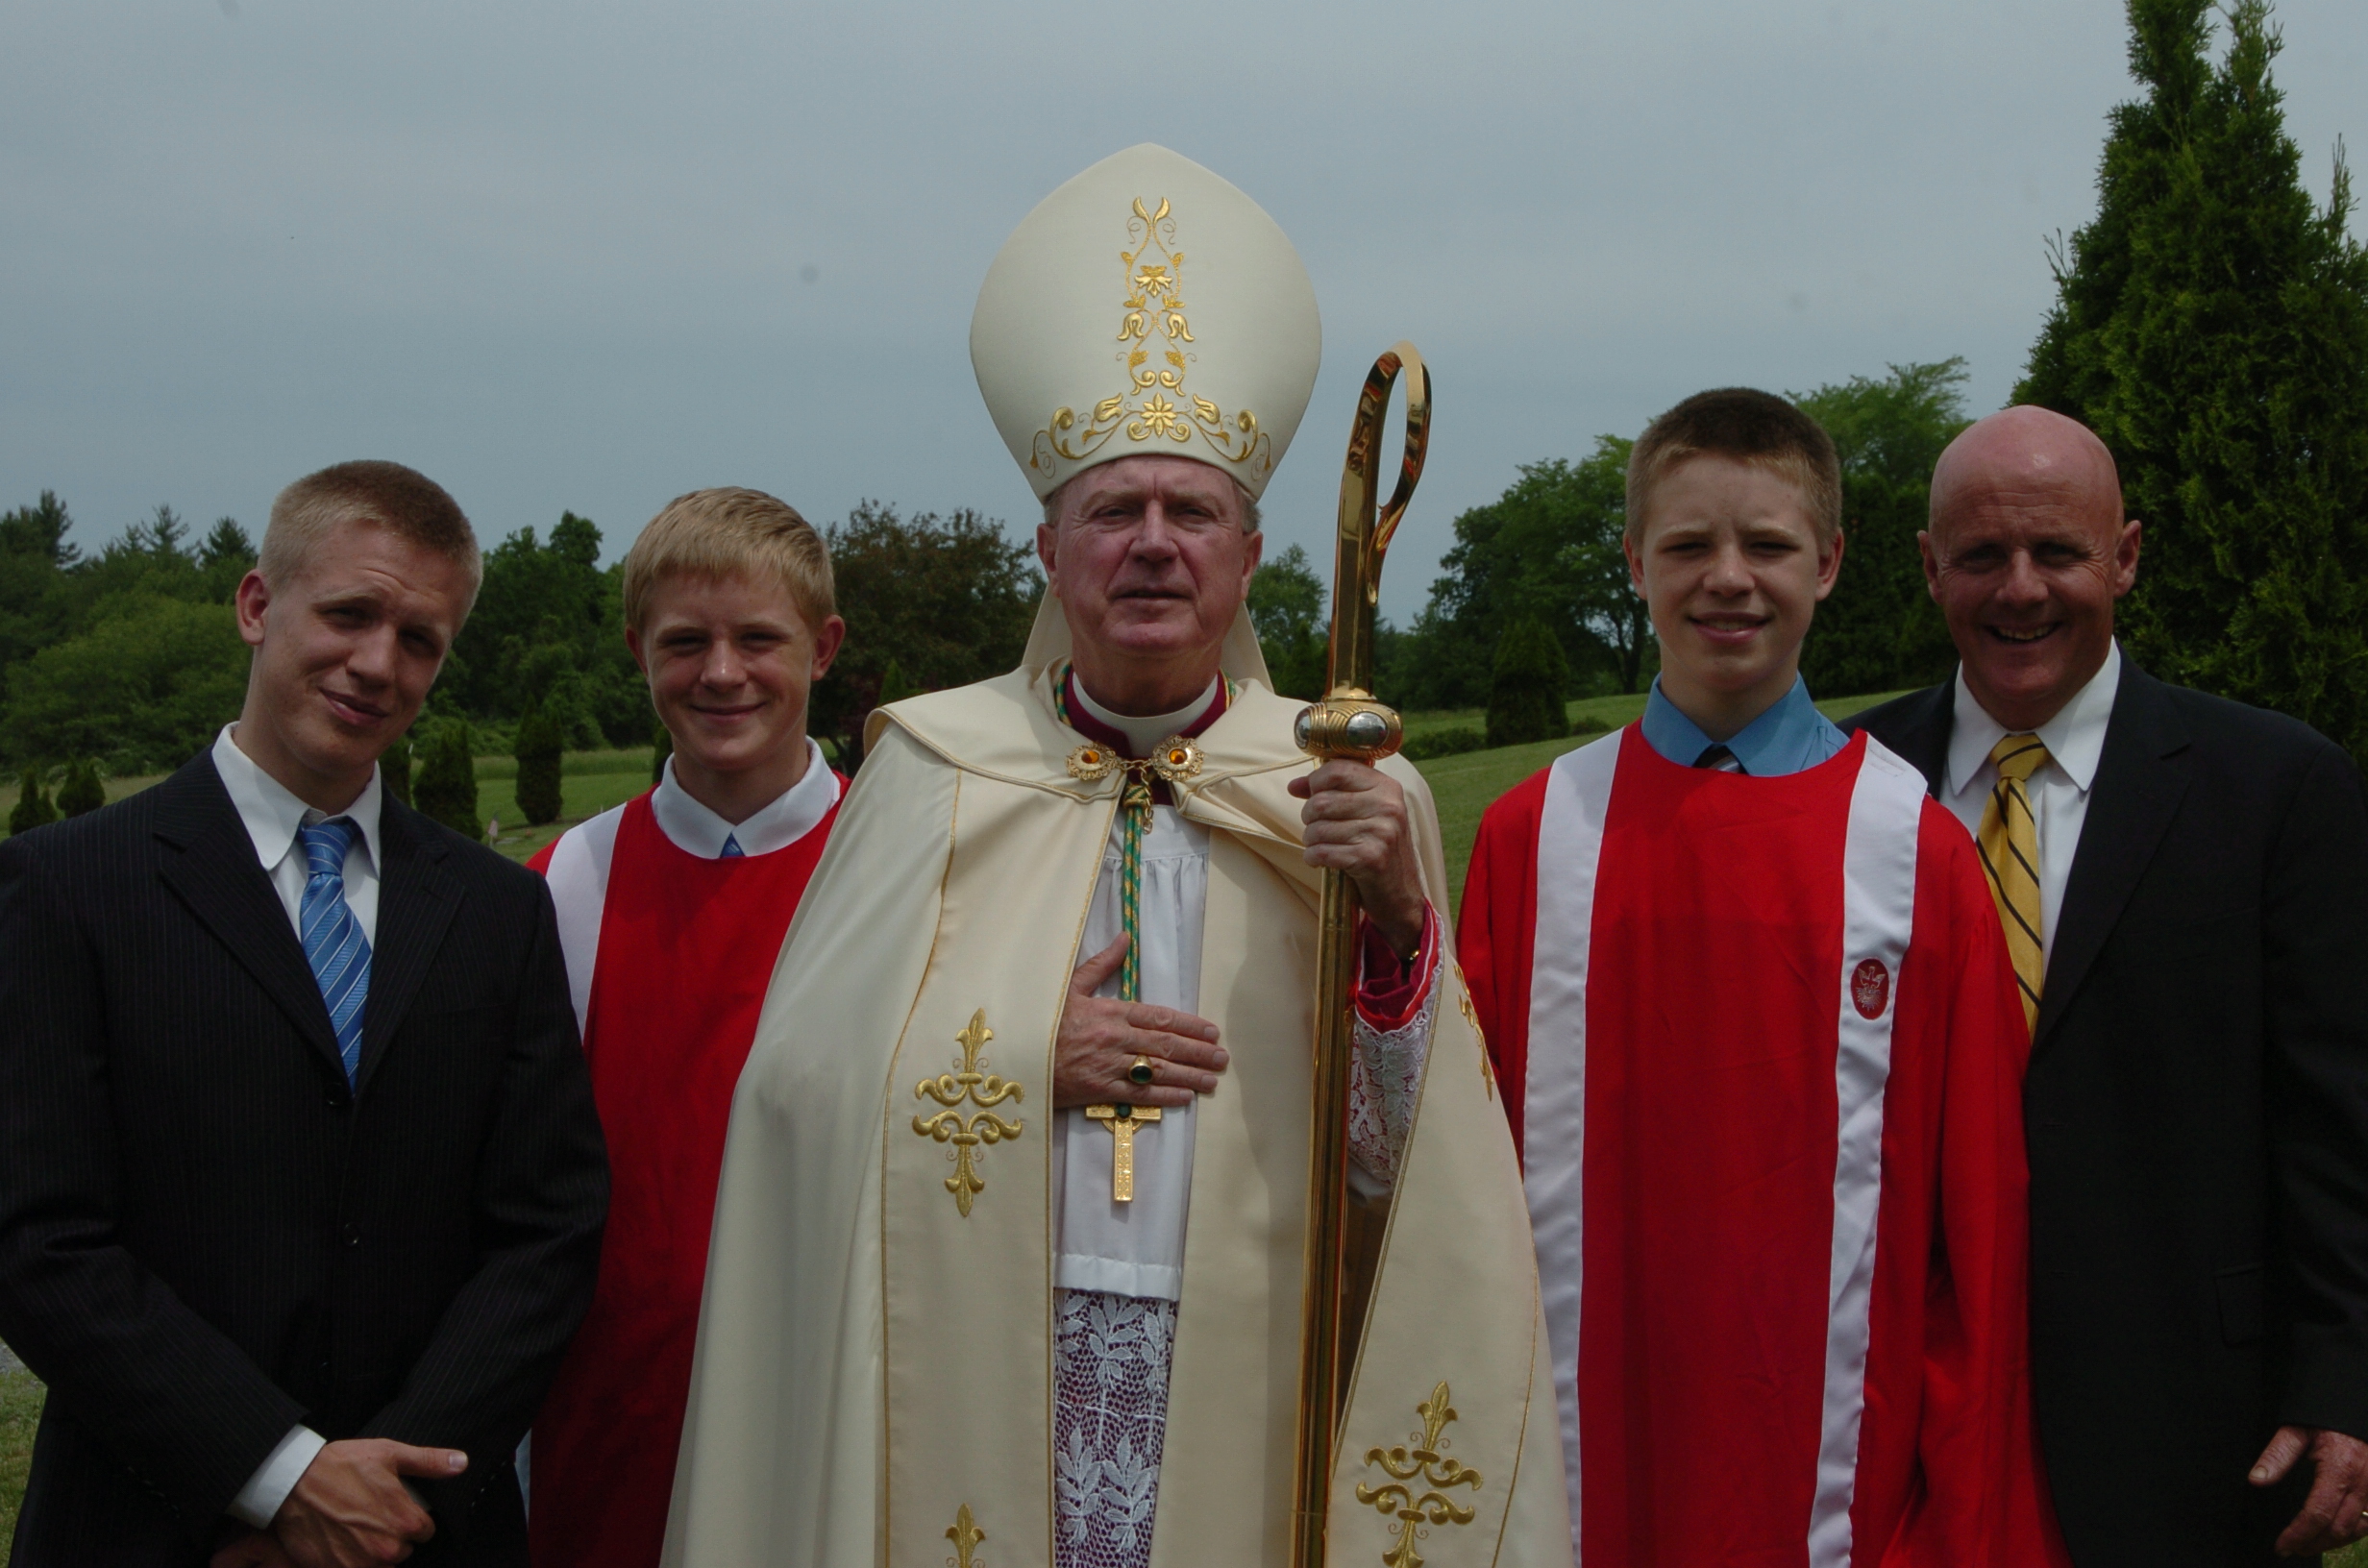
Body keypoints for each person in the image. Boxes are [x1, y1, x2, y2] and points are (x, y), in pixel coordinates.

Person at [662, 143, 1566, 1568]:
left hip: (1252, 1353)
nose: (1152, 546)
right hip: (979, 1342)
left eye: (1189, 512)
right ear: (1049, 549)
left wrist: (1397, 928)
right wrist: (1024, 1053)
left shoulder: (1344, 788)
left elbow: (1397, 1161)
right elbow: (796, 1098)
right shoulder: (932, 769)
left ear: (1248, 553)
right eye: (1113, 512)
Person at [1459, 389, 2068, 1565]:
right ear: (1633, 562)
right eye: (1688, 544)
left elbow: (1978, 1229)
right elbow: (1452, 1178)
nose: (1728, 579)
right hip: (1579, 1463)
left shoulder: (1916, 852)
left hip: (1837, 1480)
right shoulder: (1534, 838)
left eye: (1769, 546)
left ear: (1828, 563)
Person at [0, 460, 608, 1566]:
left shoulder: (495, 911)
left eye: (419, 639)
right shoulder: (66, 887)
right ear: (255, 604)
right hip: (155, 1525)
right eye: (349, 614)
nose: (378, 663)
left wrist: (388, 1498)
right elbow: (38, 1238)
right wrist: (278, 1477)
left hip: (424, 1532)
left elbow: (547, 1229)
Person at [1848, 405, 2368, 1564]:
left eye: (2058, 552)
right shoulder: (1846, 787)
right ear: (1929, 566)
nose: (2019, 589)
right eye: (1980, 555)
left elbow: (2337, 1120)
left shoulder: (2276, 788)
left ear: (2124, 556)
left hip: (2189, 1417)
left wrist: (2344, 1378)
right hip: (1895, 1414)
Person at [524, 488, 847, 1568]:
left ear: (822, 648)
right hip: (615, 1420)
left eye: (759, 639)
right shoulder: (564, 883)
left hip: (834, 1398)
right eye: (683, 643)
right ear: (637, 652)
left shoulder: (909, 865)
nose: (721, 673)